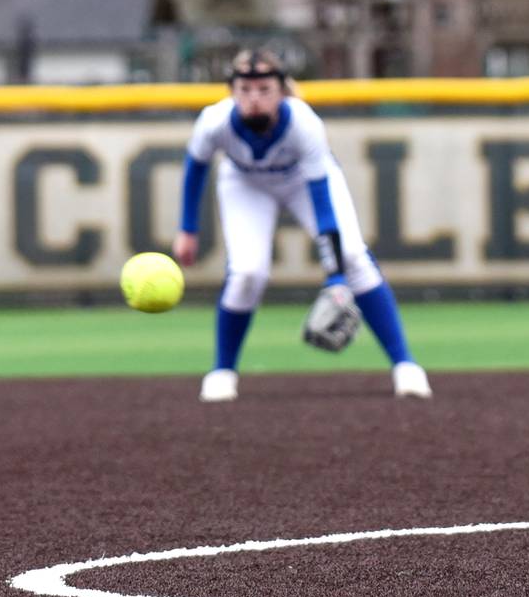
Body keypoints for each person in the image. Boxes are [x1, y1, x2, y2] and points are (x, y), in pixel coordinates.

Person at [173, 48, 432, 402]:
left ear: (282, 91)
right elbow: (196, 169)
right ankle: (222, 371)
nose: (253, 99)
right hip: (245, 183)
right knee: (248, 272)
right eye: (244, 90)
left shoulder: (303, 123)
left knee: (354, 256)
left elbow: (322, 202)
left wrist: (336, 276)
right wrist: (187, 229)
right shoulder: (214, 121)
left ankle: (406, 366)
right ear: (231, 91)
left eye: (264, 89)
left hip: (302, 182)